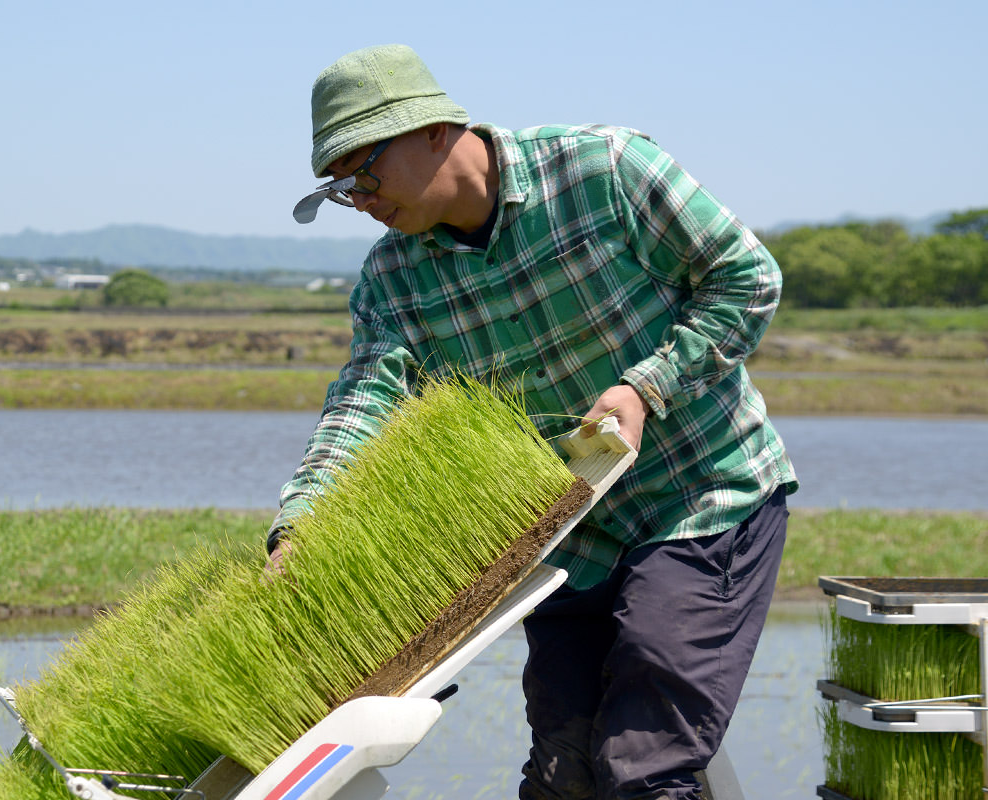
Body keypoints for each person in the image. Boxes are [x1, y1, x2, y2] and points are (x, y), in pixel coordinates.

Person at [271, 44, 797, 800]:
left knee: (642, 770)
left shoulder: (605, 170)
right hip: (571, 537)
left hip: (701, 497)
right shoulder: (394, 279)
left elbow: (746, 277)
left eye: (364, 175)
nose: (360, 200)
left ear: (432, 129)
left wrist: (648, 387)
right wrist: (302, 521)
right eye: (340, 189)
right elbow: (362, 402)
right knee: (561, 778)